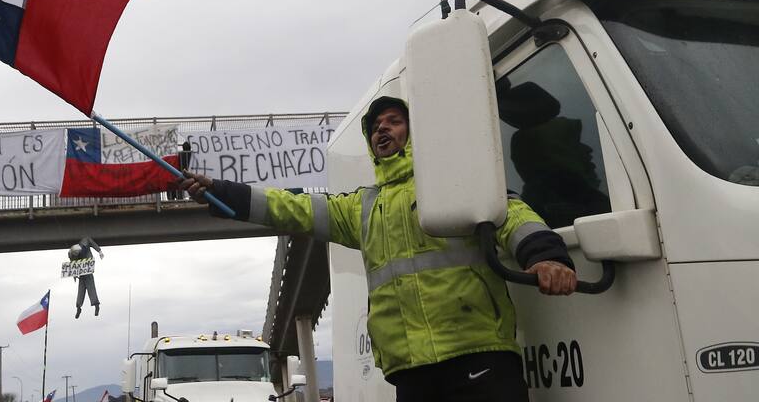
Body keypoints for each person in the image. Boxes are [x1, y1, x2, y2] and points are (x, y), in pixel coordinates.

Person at [181, 97, 577, 402]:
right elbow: (292, 208)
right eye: (375, 127)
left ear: (415, 131)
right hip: (411, 372)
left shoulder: (456, 183)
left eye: (394, 121)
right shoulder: (361, 206)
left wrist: (545, 256)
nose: (382, 130)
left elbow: (513, 215)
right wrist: (221, 192)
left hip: (479, 356)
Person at [68, 237, 104, 318]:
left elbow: (91, 241)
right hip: (81, 271)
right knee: (81, 289)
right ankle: (78, 307)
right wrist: (74, 274)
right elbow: (72, 264)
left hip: (88, 268)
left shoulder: (85, 242)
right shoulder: (71, 254)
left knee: (90, 286)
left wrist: (99, 251)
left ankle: (96, 304)